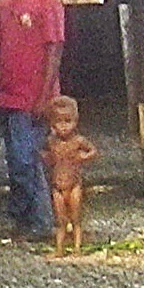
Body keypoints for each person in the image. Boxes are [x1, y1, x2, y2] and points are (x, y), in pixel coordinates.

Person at [0, 0, 69, 248]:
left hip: (34, 98)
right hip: (8, 95)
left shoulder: (47, 1)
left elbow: (55, 50)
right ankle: (26, 219)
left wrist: (45, 95)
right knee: (15, 161)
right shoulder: (6, 3)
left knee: (28, 160)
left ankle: (38, 220)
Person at [40, 96, 100, 256]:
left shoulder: (78, 141)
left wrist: (83, 157)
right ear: (52, 125)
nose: (64, 127)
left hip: (74, 185)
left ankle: (77, 247)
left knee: (75, 218)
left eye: (68, 121)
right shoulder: (51, 142)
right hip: (57, 186)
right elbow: (42, 153)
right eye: (59, 122)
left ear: (76, 121)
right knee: (60, 220)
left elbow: (93, 151)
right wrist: (47, 159)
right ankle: (59, 248)